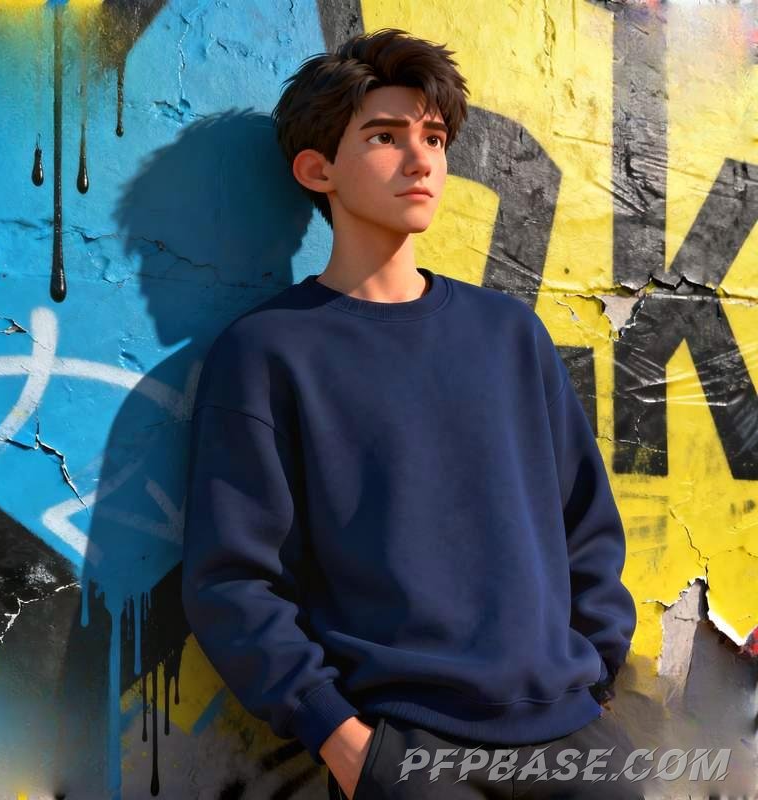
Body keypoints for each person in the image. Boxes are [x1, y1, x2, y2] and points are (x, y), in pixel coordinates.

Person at [182, 27, 641, 799]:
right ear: (318, 169)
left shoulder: (510, 334)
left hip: (574, 742)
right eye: (385, 137)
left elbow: (586, 522)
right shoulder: (268, 352)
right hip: (407, 754)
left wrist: (596, 675)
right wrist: (345, 741)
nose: (421, 159)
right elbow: (232, 579)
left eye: (432, 137)